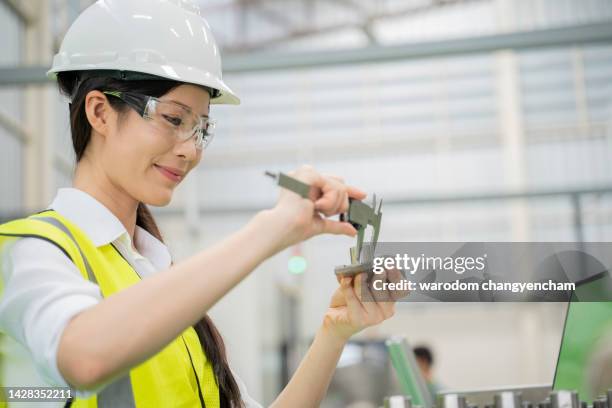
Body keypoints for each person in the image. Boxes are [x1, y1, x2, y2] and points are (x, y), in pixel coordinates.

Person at [0, 1, 401, 407]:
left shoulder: (155, 273)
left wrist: (334, 332)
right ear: (100, 112)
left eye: (201, 129)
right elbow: (82, 357)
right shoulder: (29, 253)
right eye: (174, 119)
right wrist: (271, 228)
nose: (191, 150)